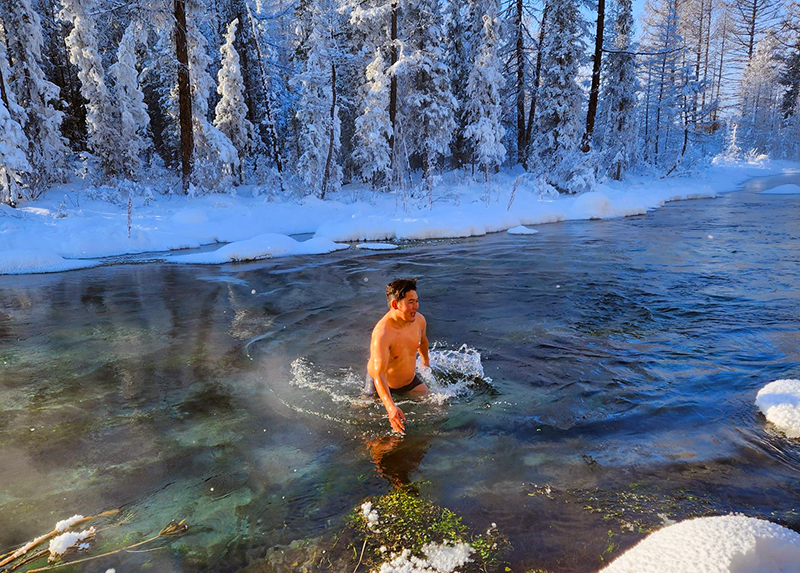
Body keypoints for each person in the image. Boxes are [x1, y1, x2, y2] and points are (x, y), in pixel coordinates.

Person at [365, 278, 430, 434]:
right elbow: (379, 374)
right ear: (395, 304)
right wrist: (390, 407)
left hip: (408, 381)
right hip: (380, 384)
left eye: (417, 301)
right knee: (366, 420)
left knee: (434, 406)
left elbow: (423, 341)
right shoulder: (382, 333)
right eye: (410, 302)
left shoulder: (419, 320)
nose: (416, 307)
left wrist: (426, 362)